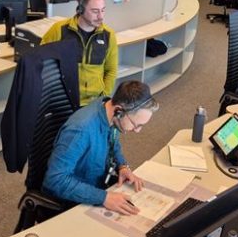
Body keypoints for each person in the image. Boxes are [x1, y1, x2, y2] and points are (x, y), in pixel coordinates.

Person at [43, 80, 158, 215]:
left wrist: (122, 166)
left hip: (98, 185)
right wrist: (104, 197)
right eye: (136, 124)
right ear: (119, 110)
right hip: (72, 200)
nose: (137, 131)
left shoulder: (110, 112)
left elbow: (113, 143)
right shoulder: (80, 130)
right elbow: (55, 179)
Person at [41, 0, 118, 106]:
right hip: (64, 100)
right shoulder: (59, 30)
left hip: (95, 101)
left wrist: (104, 97)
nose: (101, 16)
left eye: (103, 10)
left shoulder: (108, 35)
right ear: (80, 10)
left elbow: (111, 70)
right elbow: (42, 61)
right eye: (95, 11)